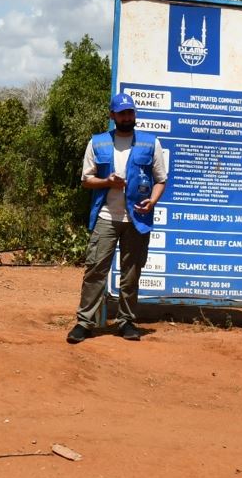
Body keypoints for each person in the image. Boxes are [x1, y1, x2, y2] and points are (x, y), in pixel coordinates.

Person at [66, 93, 168, 344]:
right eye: (121, 113)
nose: (127, 117)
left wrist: (152, 201)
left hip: (137, 219)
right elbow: (86, 180)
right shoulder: (98, 143)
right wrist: (107, 182)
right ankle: (84, 322)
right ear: (112, 115)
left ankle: (126, 321)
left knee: (132, 273)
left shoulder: (150, 142)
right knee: (95, 270)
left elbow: (161, 179)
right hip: (106, 216)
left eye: (130, 112)